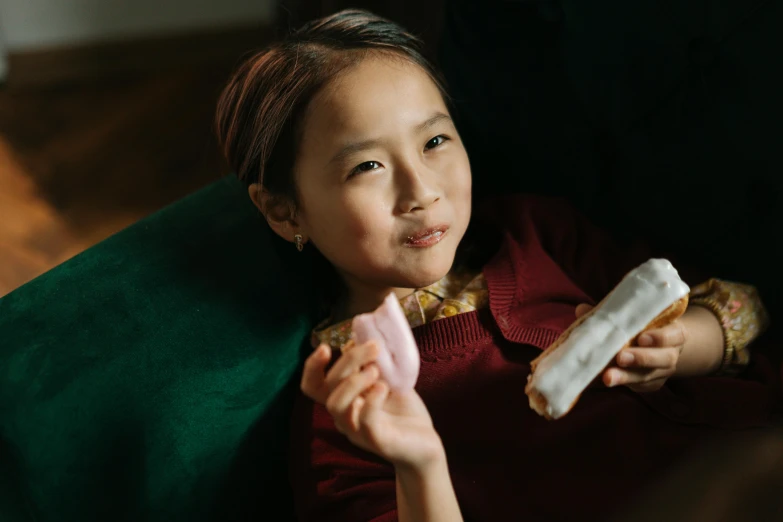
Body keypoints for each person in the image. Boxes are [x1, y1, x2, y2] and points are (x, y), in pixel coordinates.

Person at [215, 9, 779, 522]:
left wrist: (680, 346)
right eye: (367, 165)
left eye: (434, 140)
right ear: (285, 212)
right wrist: (420, 464)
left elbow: (742, 308)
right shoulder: (348, 414)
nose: (422, 190)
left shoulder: (535, 234)